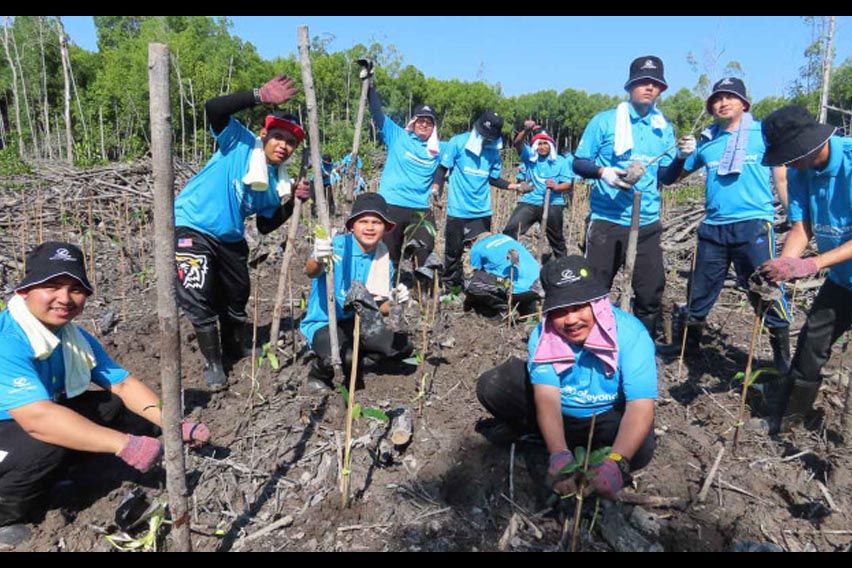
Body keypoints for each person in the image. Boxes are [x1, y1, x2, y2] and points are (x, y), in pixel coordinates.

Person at [0, 242, 210, 547]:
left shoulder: (73, 338)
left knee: (110, 406)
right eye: (53, 286)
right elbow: (37, 419)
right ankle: (6, 515)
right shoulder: (8, 340)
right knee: (43, 443)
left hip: (24, 422)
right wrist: (124, 445)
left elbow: (123, 385)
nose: (65, 299)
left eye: (75, 289)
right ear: (24, 291)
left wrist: (175, 424)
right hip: (19, 426)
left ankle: (54, 476)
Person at [476, 255, 657, 500]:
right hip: (560, 413)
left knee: (641, 447)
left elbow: (640, 405)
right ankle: (555, 445)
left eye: (579, 307)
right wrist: (559, 453)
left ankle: (599, 459)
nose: (571, 320)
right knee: (493, 385)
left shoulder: (631, 333)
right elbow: (547, 397)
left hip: (606, 420)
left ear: (597, 302)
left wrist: (617, 461)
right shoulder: (543, 336)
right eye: (560, 311)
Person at [173, 74, 310, 391]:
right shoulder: (240, 141)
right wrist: (258, 94)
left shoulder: (276, 182)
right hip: (192, 224)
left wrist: (292, 203)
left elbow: (264, 224)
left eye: (290, 143)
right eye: (278, 137)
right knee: (197, 291)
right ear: (264, 134)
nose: (283, 146)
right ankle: (213, 362)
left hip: (230, 237)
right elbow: (213, 108)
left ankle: (235, 346)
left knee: (237, 295)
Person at [572, 56, 693, 337]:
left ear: (661, 89)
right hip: (606, 220)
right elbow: (579, 163)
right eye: (643, 82)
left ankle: (642, 348)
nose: (649, 87)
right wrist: (604, 173)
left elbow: (665, 177)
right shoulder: (604, 122)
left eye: (655, 83)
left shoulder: (663, 128)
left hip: (647, 223)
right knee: (596, 290)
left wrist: (682, 158)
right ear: (630, 86)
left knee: (649, 293)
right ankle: (596, 344)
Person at [677, 77, 792, 372]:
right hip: (713, 227)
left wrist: (795, 217)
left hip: (753, 225)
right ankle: (688, 350)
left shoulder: (763, 134)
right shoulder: (707, 141)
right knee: (699, 291)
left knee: (765, 288)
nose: (723, 103)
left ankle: (782, 359)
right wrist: (681, 155)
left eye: (730, 97)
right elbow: (674, 177)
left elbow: (780, 177)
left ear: (744, 103)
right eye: (717, 99)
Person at [757, 105, 851, 432]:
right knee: (811, 342)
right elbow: (802, 228)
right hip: (843, 280)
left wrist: (811, 264)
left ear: (810, 144)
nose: (788, 163)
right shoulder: (801, 173)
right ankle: (788, 420)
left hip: (833, 268)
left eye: (791, 154)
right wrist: (786, 263)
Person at [300, 193, 413, 392]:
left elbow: (380, 307)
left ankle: (360, 359)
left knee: (403, 347)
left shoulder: (383, 256)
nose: (370, 227)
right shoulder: (336, 246)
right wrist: (318, 257)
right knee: (340, 357)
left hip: (359, 321)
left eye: (376, 222)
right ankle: (317, 372)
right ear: (352, 225)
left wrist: (396, 302)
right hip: (326, 323)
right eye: (363, 221)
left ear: (386, 228)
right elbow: (311, 271)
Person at [364, 61, 443, 286]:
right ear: (413, 121)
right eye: (420, 120)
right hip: (391, 203)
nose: (424, 125)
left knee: (425, 246)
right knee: (389, 252)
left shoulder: (438, 150)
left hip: (419, 207)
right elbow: (377, 113)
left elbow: (447, 165)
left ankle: (423, 291)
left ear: (433, 127)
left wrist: (438, 186)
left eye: (429, 122)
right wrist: (370, 86)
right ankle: (386, 289)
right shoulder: (397, 136)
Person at [433, 109, 531, 290]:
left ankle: (480, 287)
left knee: (482, 252)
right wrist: (436, 190)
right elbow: (441, 169)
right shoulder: (458, 142)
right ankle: (450, 288)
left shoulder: (493, 152)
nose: (485, 139)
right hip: (458, 210)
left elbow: (493, 178)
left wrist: (515, 186)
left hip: (482, 211)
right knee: (453, 253)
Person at [504, 123, 576, 259]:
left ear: (551, 145)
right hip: (530, 202)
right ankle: (509, 262)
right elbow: (518, 143)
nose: (542, 147)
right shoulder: (530, 158)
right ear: (535, 145)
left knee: (557, 240)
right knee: (510, 230)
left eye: (545, 143)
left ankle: (563, 267)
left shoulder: (560, 162)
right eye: (539, 143)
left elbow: (568, 184)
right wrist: (526, 130)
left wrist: (556, 187)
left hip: (553, 203)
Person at [464, 231, 542, 318]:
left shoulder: (477, 248)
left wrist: (468, 302)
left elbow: (474, 273)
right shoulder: (504, 236)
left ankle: (505, 310)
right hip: (539, 281)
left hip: (513, 287)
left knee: (472, 283)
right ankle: (528, 305)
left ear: (472, 242)